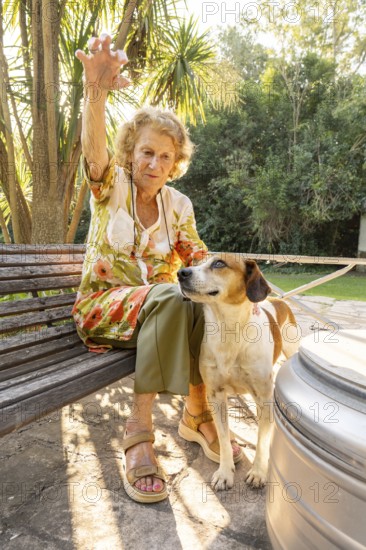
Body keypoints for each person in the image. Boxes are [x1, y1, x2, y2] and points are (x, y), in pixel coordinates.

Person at [73, 33, 242, 504]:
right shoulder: (112, 186)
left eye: (166, 156)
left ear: (176, 164)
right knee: (173, 294)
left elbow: (197, 258)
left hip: (157, 315)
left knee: (195, 300)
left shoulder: (179, 204)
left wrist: (245, 286)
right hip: (102, 309)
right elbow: (93, 154)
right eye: (147, 151)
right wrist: (96, 92)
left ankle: (196, 413)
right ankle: (139, 431)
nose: (155, 162)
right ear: (131, 152)